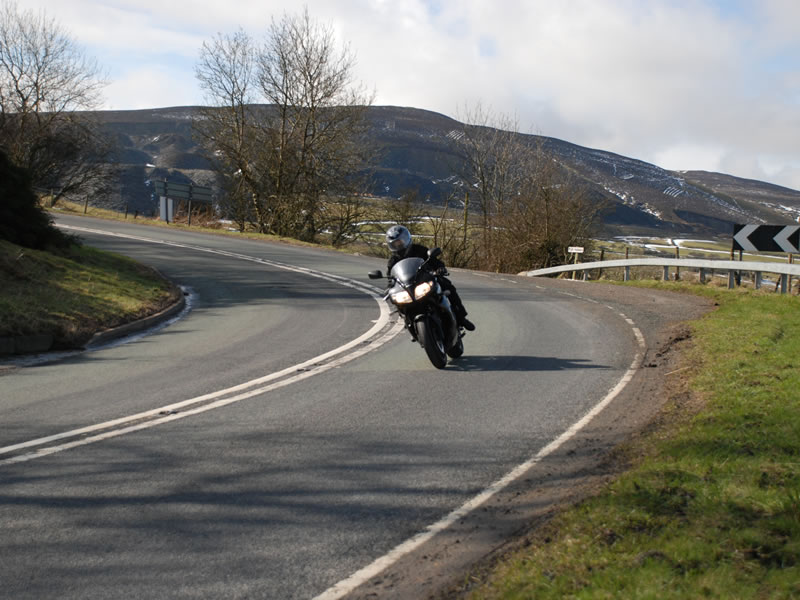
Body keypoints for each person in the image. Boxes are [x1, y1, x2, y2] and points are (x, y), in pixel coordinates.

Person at [385, 225, 475, 331]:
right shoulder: (393, 261)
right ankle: (408, 320)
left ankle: (461, 317)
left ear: (406, 239)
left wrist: (440, 268)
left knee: (447, 285)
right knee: (396, 299)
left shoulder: (420, 250)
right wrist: (390, 287)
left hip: (425, 280)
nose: (398, 245)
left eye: (400, 242)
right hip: (409, 287)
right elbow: (391, 278)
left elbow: (434, 261)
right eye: (395, 244)